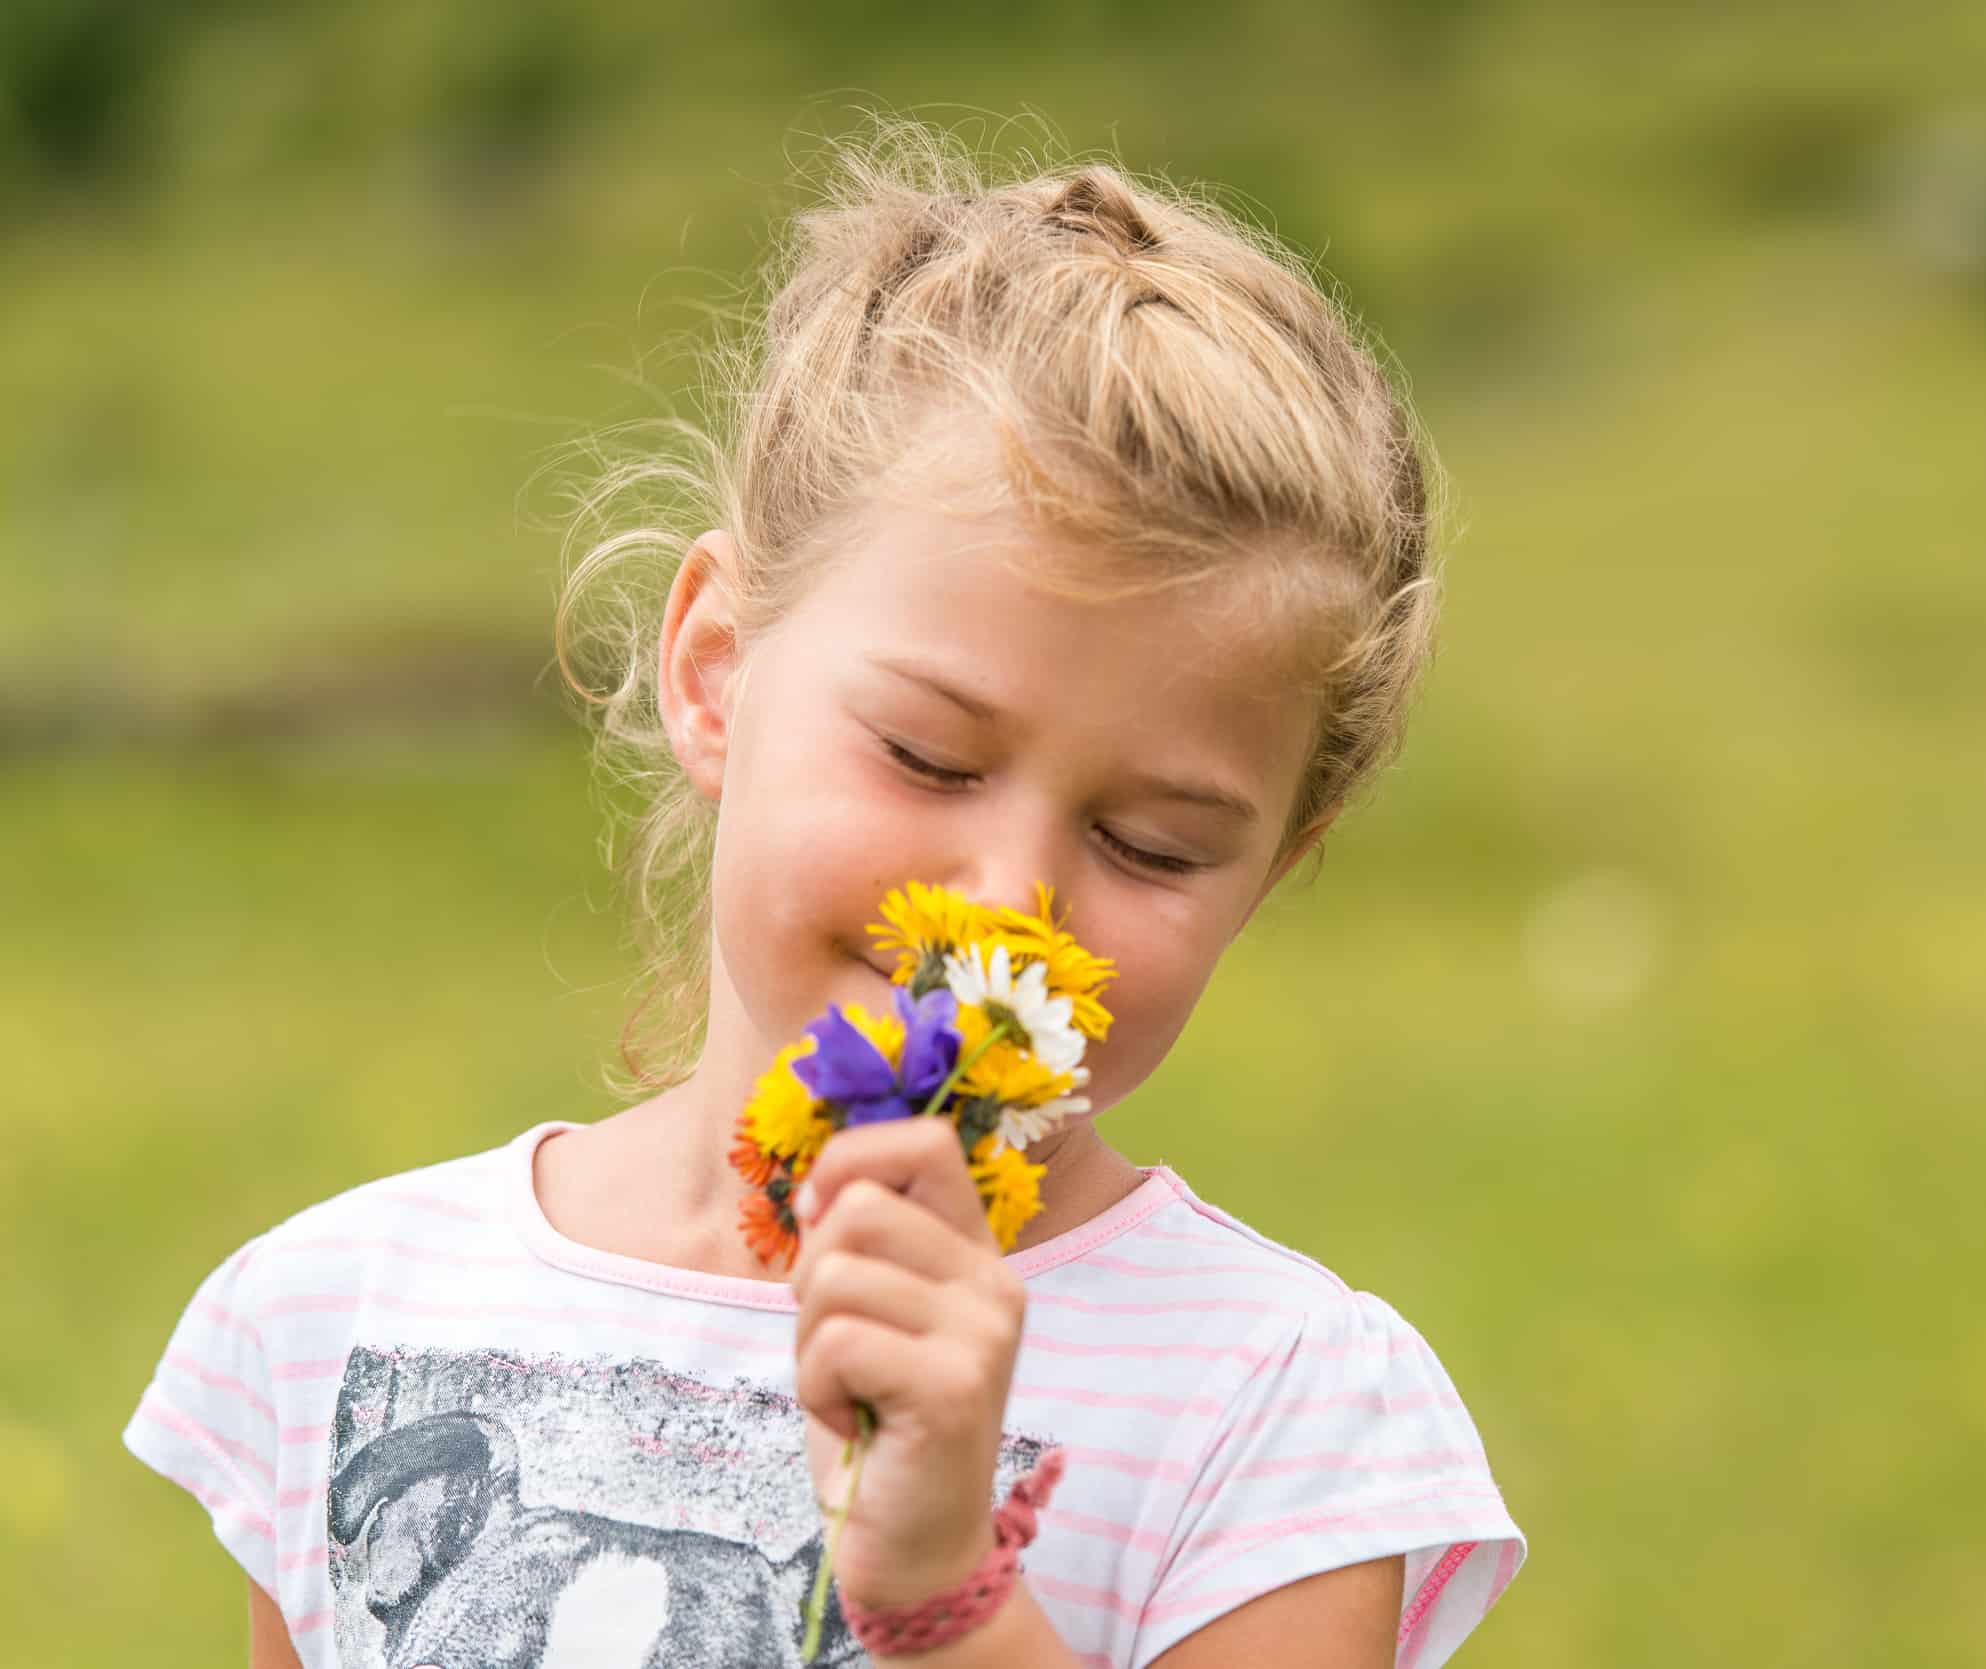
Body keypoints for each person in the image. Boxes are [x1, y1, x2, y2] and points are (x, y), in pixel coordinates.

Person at [124, 125, 1525, 1669]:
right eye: (929, 758)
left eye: (1152, 844)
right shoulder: (350, 1315)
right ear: (715, 669)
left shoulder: (1280, 1414)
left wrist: (942, 1590)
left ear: (1272, 869)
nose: (1008, 905)